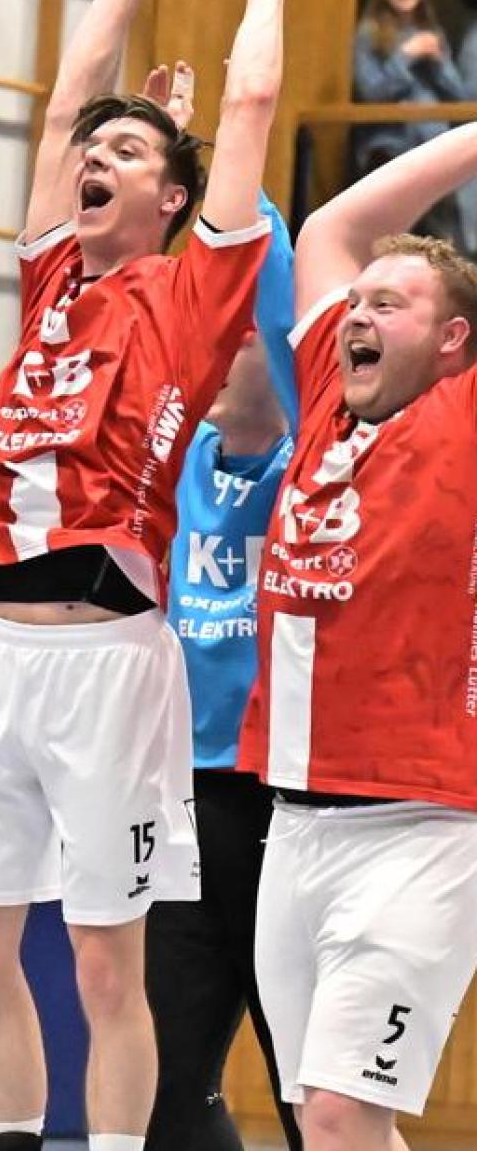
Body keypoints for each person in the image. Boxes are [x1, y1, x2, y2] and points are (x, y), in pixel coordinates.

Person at [0, 0, 331, 1151]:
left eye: (126, 150)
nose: (93, 157)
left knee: (109, 959)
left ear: (172, 197)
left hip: (108, 656)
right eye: (91, 151)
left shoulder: (191, 289)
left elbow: (250, 108)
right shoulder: (52, 275)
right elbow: (66, 101)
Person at [237, 122, 477, 1151]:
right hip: (294, 821)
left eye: (390, 304)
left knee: (341, 1110)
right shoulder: (332, 403)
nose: (358, 317)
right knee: (324, 1119)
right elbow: (336, 226)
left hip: (420, 825)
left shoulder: (463, 416)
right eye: (357, 301)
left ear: (452, 339)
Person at [145, 157, 305, 1151]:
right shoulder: (172, 461)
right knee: (168, 1085)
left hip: (286, 797)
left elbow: (275, 300)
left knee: (311, 1091)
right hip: (185, 796)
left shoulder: (316, 464)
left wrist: (231, 176)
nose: (206, 359)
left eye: (230, 340)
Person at [350, 0, 470, 250]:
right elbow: (373, 92)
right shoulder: (368, 35)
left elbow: (459, 97)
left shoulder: (432, 31)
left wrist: (439, 62)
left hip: (435, 145)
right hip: (391, 148)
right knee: (397, 240)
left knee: (445, 242)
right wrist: (406, 55)